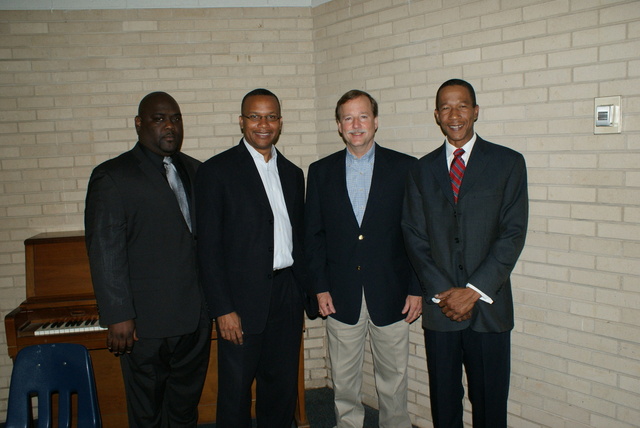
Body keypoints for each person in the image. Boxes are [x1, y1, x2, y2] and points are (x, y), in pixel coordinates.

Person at [402, 79, 528, 428]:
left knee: (490, 404)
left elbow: (513, 233)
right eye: (445, 107)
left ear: (475, 111)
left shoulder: (508, 163)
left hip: (489, 308)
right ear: (436, 116)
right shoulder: (421, 170)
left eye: (461, 106)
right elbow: (414, 235)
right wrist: (445, 293)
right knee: (444, 403)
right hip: (441, 309)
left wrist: (472, 292)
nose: (454, 114)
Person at [85, 91, 211, 427]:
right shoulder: (113, 176)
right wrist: (118, 314)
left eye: (175, 118)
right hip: (145, 326)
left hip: (195, 318)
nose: (169, 126)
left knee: (185, 406)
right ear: (139, 123)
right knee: (148, 412)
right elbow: (105, 248)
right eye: (159, 119)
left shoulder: (197, 171)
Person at [195, 88, 315, 428]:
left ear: (280, 122)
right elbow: (208, 248)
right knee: (235, 393)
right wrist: (222, 308)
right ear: (241, 121)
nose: (263, 124)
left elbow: (299, 241)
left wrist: (303, 294)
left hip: (286, 296)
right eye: (255, 116)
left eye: (271, 116)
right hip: (240, 303)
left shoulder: (292, 173)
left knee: (280, 390)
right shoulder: (216, 172)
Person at [305, 89, 422, 428]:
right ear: (339, 126)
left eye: (363, 116)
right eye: (348, 118)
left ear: (376, 122)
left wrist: (416, 288)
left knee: (394, 381)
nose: (356, 125)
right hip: (340, 295)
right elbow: (313, 237)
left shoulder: (405, 168)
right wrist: (320, 287)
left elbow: (417, 235)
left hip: (393, 294)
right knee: (344, 383)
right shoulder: (321, 171)